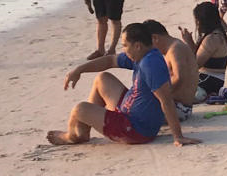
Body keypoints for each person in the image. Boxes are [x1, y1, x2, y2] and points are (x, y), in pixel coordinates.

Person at [46, 23, 200, 147]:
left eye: (125, 45)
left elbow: (166, 100)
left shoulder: (150, 64)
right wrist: (79, 70)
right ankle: (84, 129)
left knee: (80, 109)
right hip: (128, 112)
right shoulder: (142, 55)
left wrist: (178, 136)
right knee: (103, 79)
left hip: (135, 129)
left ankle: (72, 135)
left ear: (137, 46)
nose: (124, 50)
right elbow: (110, 60)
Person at [142, 20, 199, 122]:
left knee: (136, 114)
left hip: (180, 107)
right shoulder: (172, 48)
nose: (148, 50)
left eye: (148, 45)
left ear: (155, 38)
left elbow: (179, 77)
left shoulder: (175, 49)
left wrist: (158, 94)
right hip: (176, 105)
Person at [179, 2, 227, 101]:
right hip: (211, 78)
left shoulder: (212, 38)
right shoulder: (216, 33)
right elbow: (199, 55)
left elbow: (195, 64)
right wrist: (189, 41)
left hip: (209, 80)